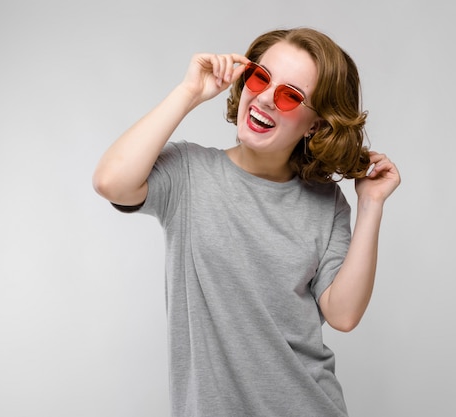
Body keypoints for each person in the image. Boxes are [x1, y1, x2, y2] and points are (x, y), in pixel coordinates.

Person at [93, 27, 400, 417]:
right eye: (261, 77)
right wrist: (189, 92)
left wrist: (371, 205)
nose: (266, 98)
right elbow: (110, 181)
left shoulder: (328, 204)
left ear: (315, 125)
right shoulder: (189, 172)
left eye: (291, 96)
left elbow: (343, 314)